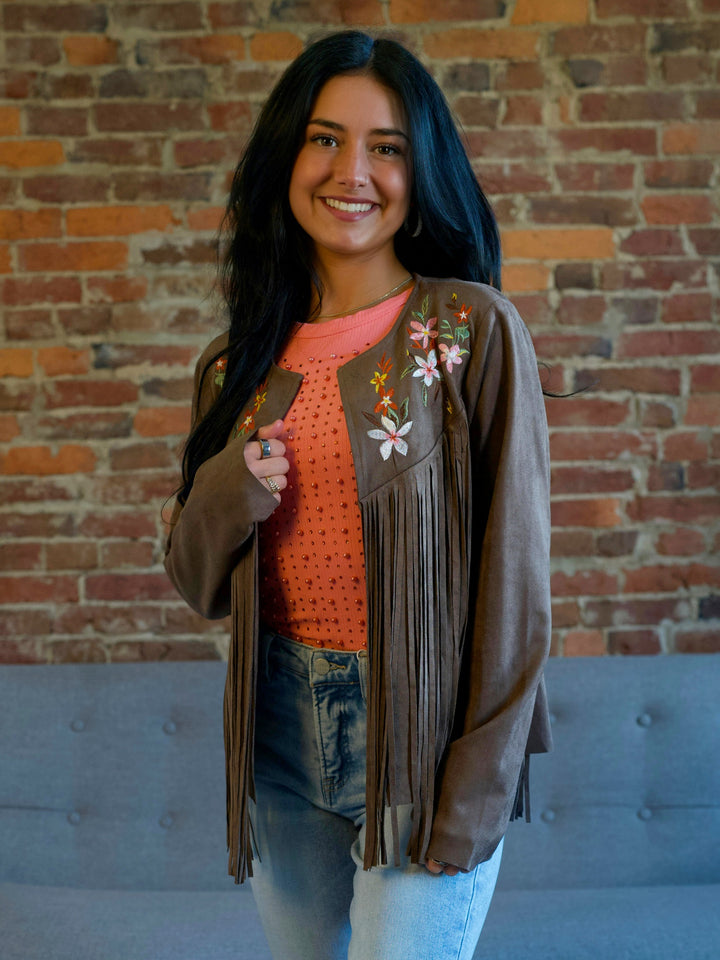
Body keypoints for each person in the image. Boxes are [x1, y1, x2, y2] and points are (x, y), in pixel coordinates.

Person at [164, 29, 552, 960]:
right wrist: (231, 486)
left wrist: (477, 791)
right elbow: (196, 578)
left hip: (422, 731)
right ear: (286, 157)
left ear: (422, 173)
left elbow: (518, 585)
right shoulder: (236, 367)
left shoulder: (467, 333)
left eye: (388, 147)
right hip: (279, 735)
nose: (353, 171)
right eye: (324, 137)